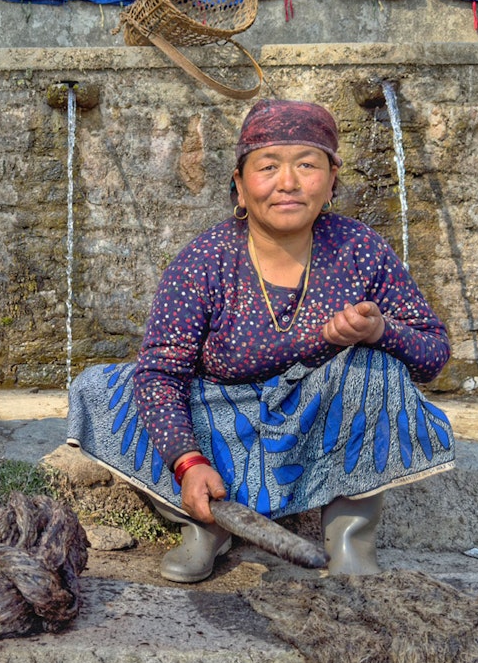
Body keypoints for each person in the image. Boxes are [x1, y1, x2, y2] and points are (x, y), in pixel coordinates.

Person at [67, 99, 454, 580]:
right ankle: (207, 523)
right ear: (240, 184)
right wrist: (187, 463)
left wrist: (380, 331)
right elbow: (161, 372)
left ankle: (351, 538)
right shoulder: (204, 261)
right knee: (105, 390)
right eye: (268, 167)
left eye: (307, 166)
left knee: (375, 365)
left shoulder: (359, 250)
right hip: (222, 417)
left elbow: (433, 353)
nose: (288, 183)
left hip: (317, 415)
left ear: (332, 180)